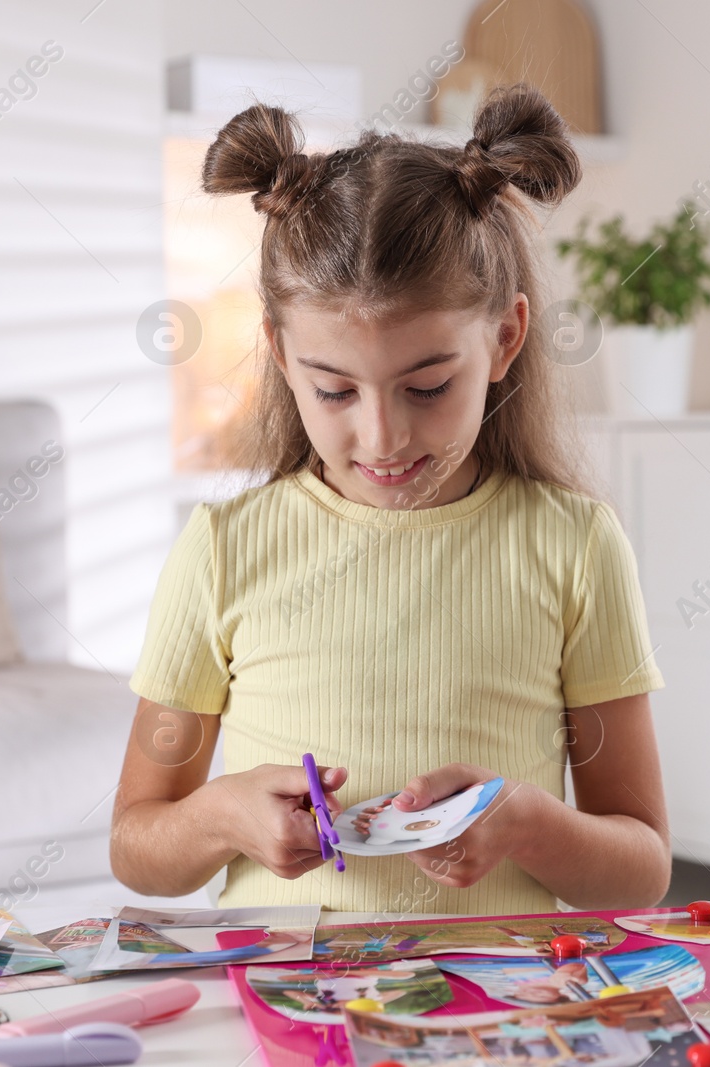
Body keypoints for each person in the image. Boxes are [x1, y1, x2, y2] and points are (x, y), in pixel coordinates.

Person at [110, 82, 670, 915]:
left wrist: (525, 825)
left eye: (429, 385)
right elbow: (136, 845)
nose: (383, 438)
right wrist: (221, 816)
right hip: (285, 1016)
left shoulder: (575, 545)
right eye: (334, 390)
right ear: (279, 350)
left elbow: (642, 866)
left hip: (495, 1023)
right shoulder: (224, 549)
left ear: (506, 339)